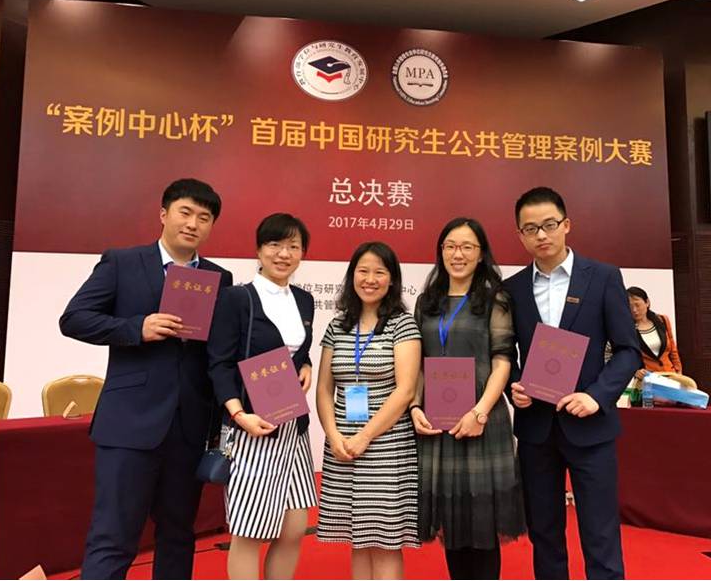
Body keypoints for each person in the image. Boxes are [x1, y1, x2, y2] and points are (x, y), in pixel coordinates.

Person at [59, 178, 233, 579]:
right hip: (129, 425)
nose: (193, 223)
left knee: (178, 534)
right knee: (114, 535)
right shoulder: (122, 263)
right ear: (163, 214)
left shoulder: (218, 277)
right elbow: (74, 318)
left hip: (189, 427)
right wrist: (137, 327)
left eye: (204, 217)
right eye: (185, 212)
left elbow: (221, 350)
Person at [503, 186, 641, 580]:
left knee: (600, 532)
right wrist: (515, 385)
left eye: (549, 225)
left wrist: (597, 396)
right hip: (536, 429)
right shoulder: (511, 289)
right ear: (520, 235)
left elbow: (628, 350)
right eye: (531, 229)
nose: (541, 235)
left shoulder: (603, 277)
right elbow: (505, 355)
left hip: (590, 426)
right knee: (544, 533)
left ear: (567, 225)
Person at [409, 218, 526, 580]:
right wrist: (414, 406)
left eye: (466, 247)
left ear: (480, 254)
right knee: (453, 521)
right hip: (438, 422)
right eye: (450, 246)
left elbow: (502, 361)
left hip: (481, 420)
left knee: (482, 522)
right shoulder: (427, 302)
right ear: (440, 252)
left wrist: (480, 412)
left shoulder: (494, 299)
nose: (457, 254)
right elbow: (419, 363)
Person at [207, 213, 318, 579]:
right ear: (258, 249)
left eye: (293, 246)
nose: (283, 254)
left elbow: (298, 349)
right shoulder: (237, 298)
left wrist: (306, 365)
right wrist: (239, 415)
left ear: (302, 253)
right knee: (249, 533)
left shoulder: (304, 300)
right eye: (275, 244)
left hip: (293, 428)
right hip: (252, 427)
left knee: (294, 527)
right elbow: (219, 363)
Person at [316, 242, 421, 580]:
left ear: (392, 279)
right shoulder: (338, 326)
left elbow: (405, 391)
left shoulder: (402, 325)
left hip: (387, 445)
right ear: (352, 276)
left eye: (379, 272)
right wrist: (333, 435)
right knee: (358, 539)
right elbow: (324, 389)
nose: (370, 279)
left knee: (385, 541)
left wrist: (365, 436)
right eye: (363, 271)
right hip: (343, 445)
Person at [626, 286, 682, 380]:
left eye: (637, 305)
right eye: (630, 307)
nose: (634, 310)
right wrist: (634, 371)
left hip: (670, 375)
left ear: (647, 302)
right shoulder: (628, 329)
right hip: (648, 379)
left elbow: (673, 350)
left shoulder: (662, 320)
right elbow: (625, 357)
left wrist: (678, 371)